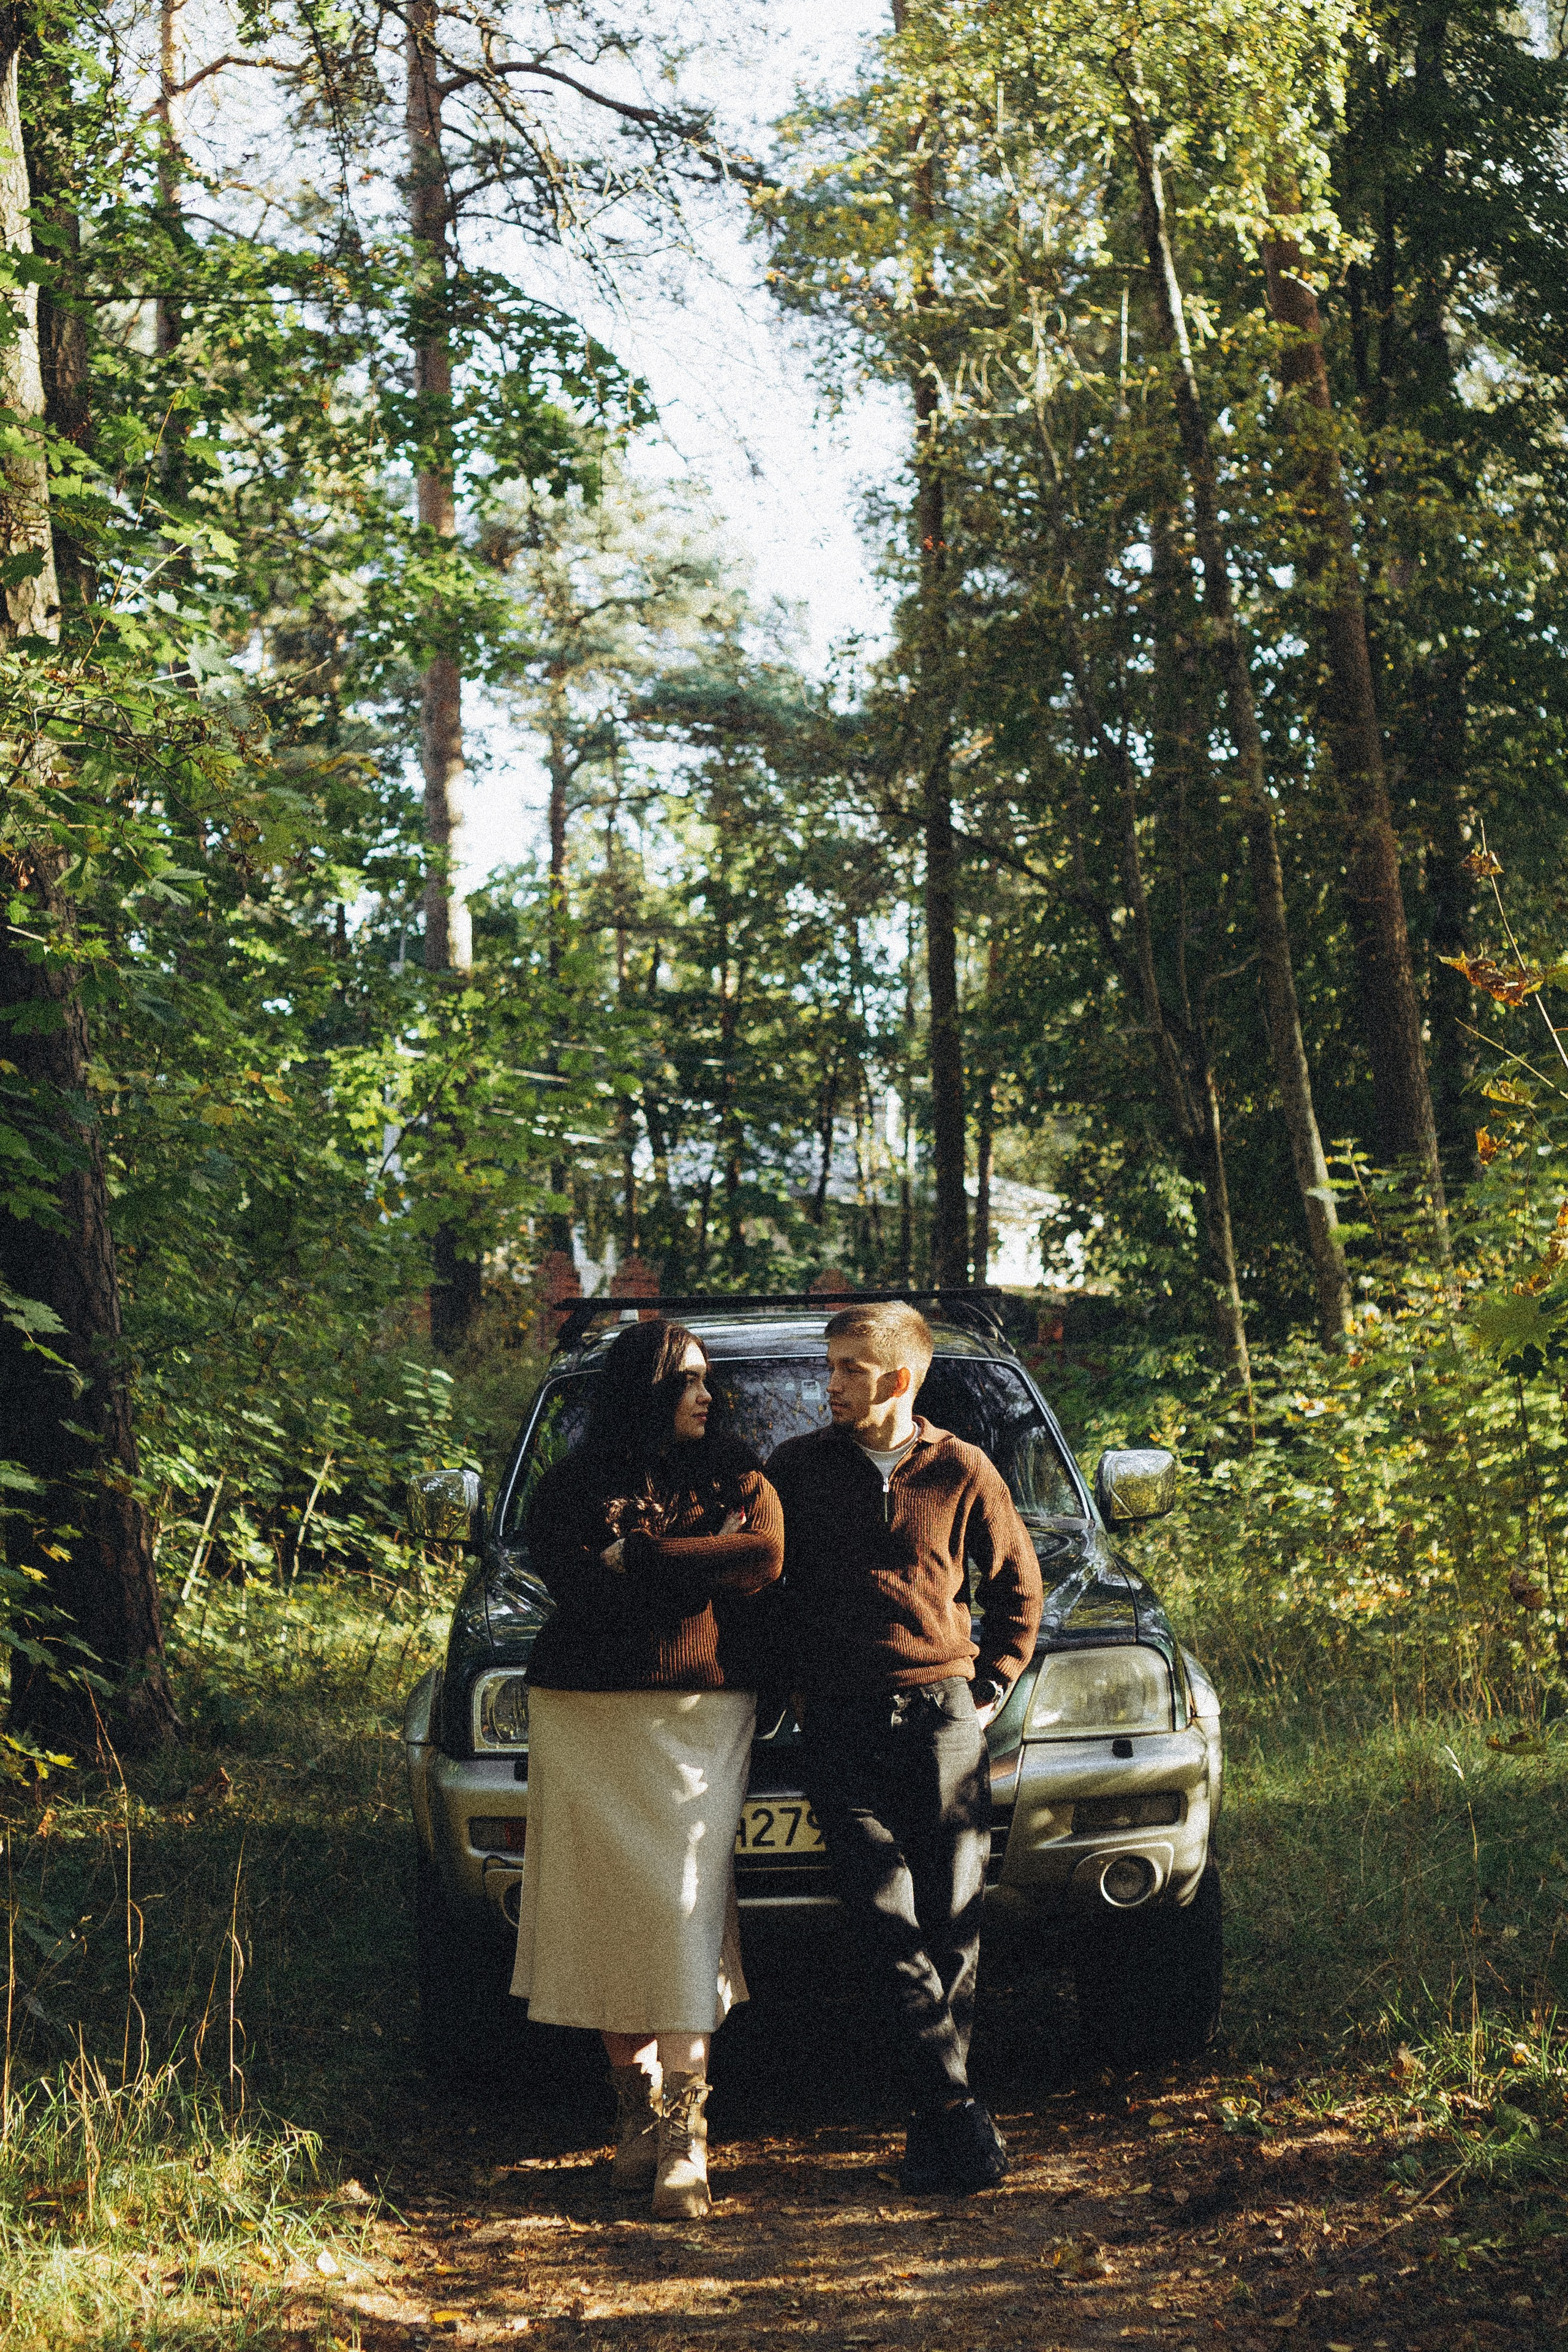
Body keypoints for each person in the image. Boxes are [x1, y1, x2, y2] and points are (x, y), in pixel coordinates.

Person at [766, 1300, 1043, 2195]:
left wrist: (990, 1684)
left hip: (941, 1721)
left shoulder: (964, 1470)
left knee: (955, 1924)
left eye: (849, 1368)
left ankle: (937, 2129)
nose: (831, 1383)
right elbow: (765, 1589)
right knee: (887, 1922)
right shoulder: (797, 1470)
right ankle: (958, 2109)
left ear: (898, 1378)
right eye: (832, 1366)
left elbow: (1017, 1590)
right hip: (839, 1723)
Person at [512, 1317, 784, 2218]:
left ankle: (685, 2136)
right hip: (583, 1713)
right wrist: (679, 1572)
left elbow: (764, 1559)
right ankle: (634, 2122)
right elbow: (577, 1583)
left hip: (699, 1714)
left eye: (708, 1381)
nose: (707, 1395)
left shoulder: (739, 1474)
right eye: (687, 1382)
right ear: (645, 1391)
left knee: (681, 1910)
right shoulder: (570, 1485)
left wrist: (648, 1555)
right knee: (604, 1916)